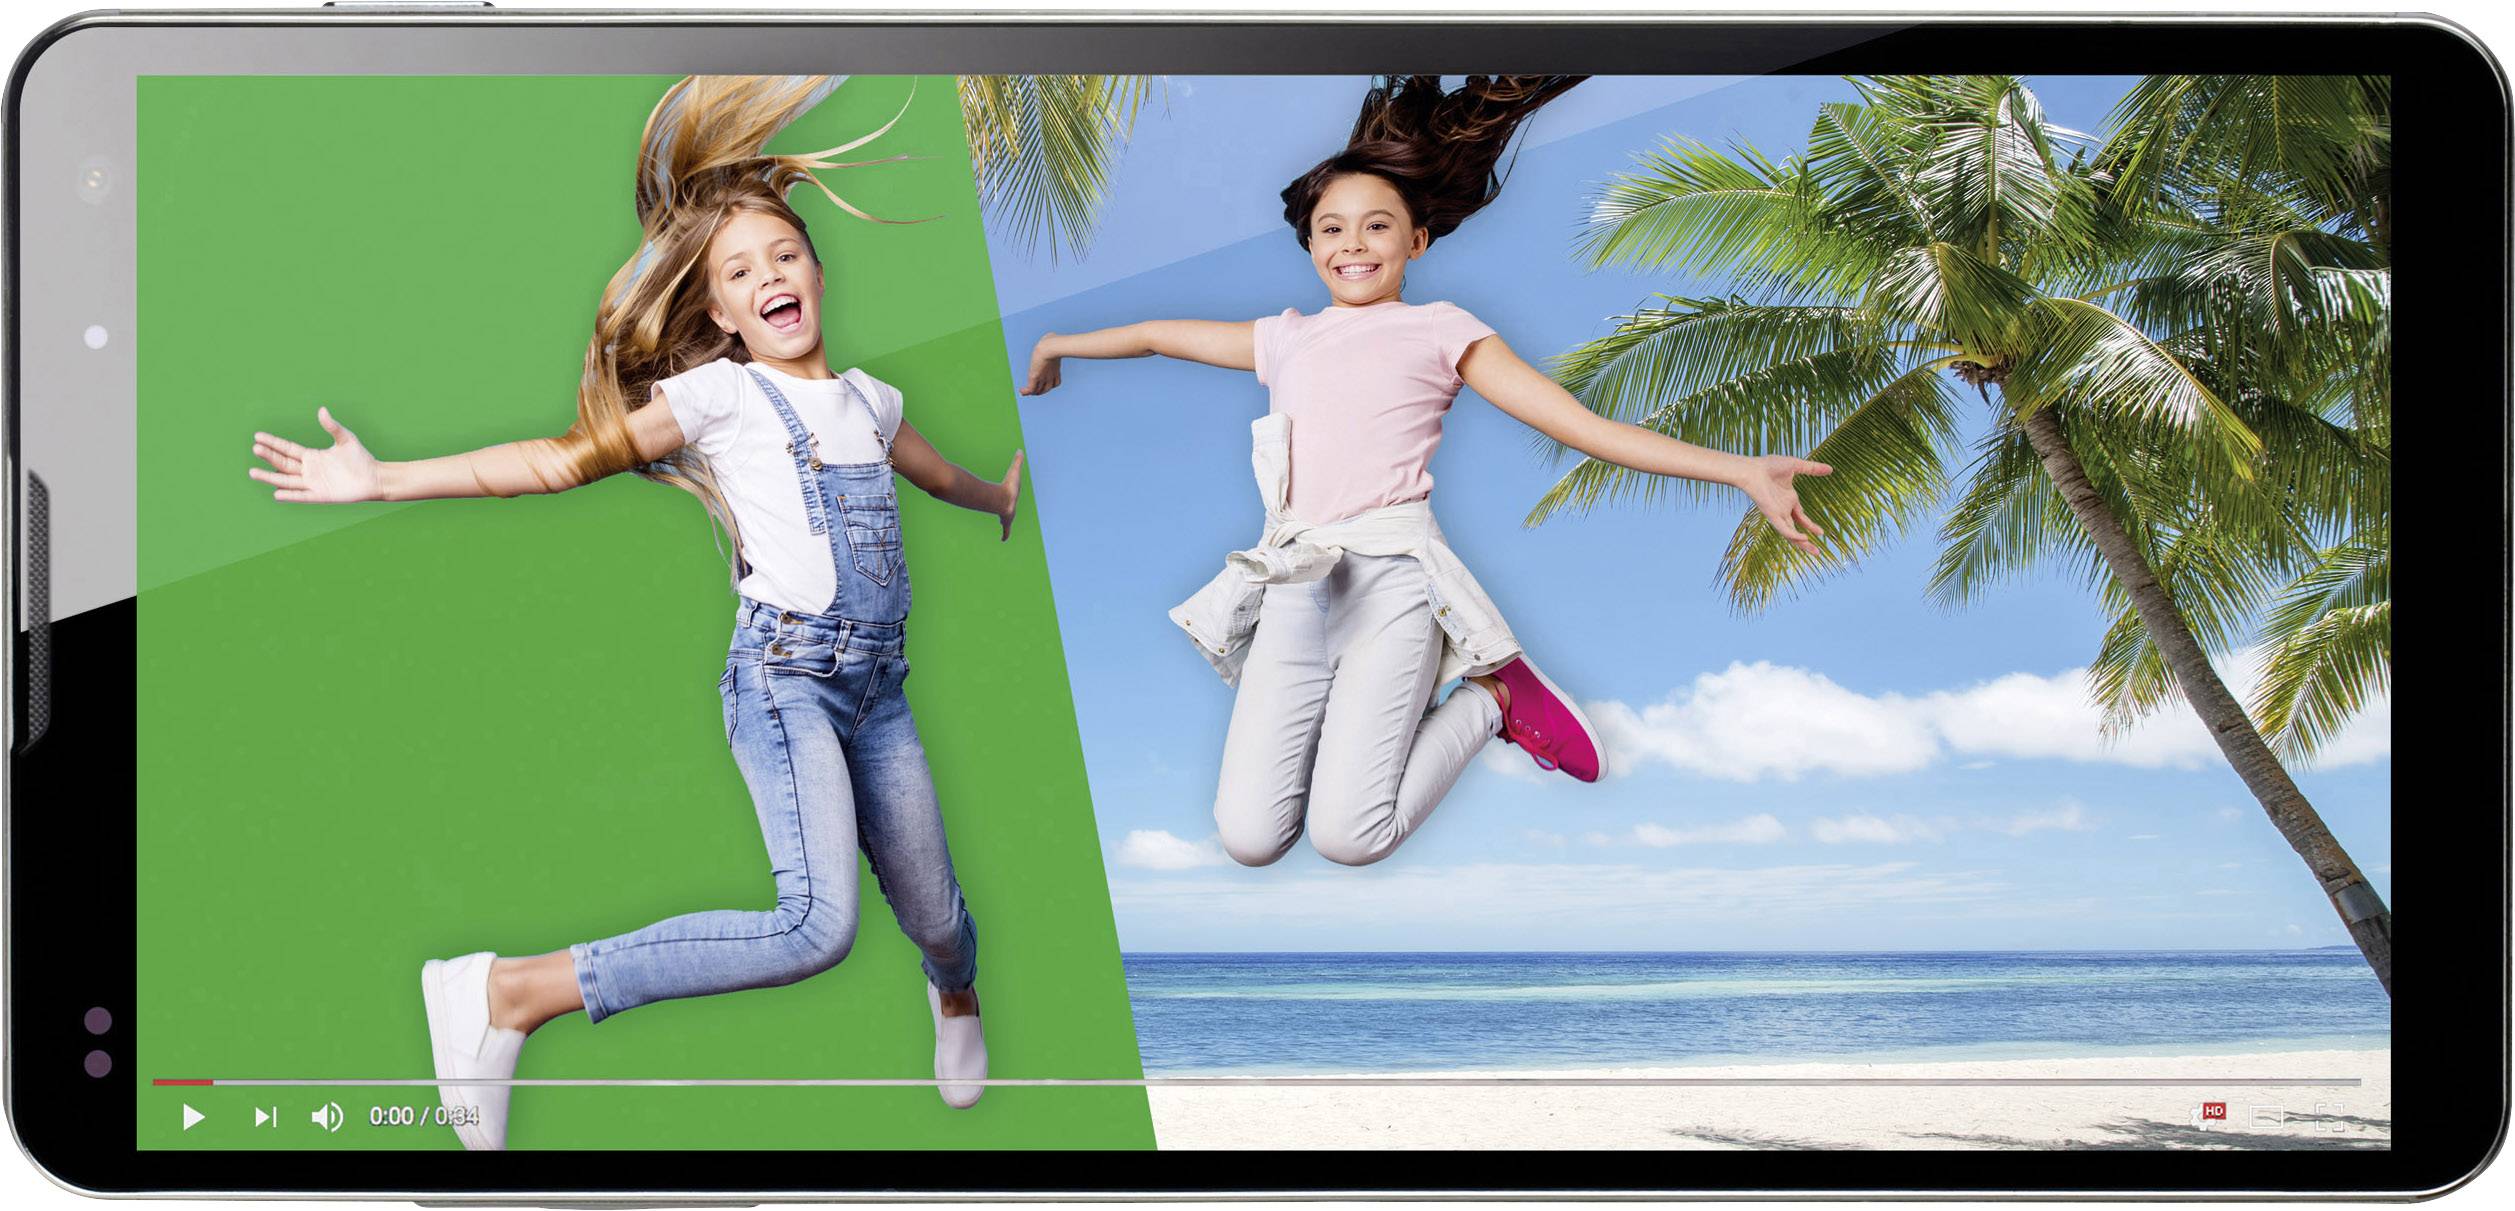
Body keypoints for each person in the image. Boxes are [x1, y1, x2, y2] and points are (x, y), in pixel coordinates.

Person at [247, 76, 1016, 1149]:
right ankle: (505, 991)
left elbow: (932, 472)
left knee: (939, 918)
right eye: (738, 272)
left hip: (878, 690)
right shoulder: (721, 398)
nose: (768, 277)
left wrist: (998, 495)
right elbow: (558, 460)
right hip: (785, 679)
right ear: (718, 313)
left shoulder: (873, 401)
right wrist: (382, 480)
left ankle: (955, 994)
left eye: (782, 256)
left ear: (817, 269)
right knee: (815, 925)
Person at [1019, 76, 1830, 869]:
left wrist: (1739, 471)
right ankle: (1470, 703)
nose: (1352, 245)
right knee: (1250, 838)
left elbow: (1579, 426)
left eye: (1376, 227)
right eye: (1331, 230)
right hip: (1295, 586)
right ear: (1309, 247)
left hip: (1392, 584)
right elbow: (1161, 334)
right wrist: (1058, 345)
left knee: (1350, 836)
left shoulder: (1443, 329)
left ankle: (1493, 698)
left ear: (1417, 241)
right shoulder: (1286, 338)